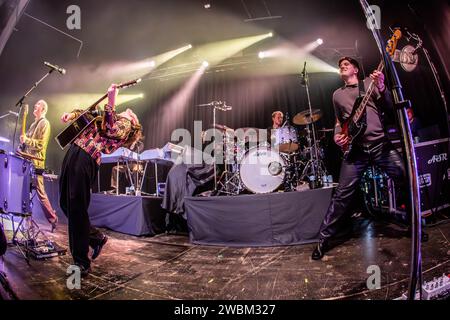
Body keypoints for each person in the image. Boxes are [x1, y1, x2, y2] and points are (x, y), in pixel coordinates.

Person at [312, 57, 406, 260]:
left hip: (381, 145)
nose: (342, 66)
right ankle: (323, 240)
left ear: (355, 68)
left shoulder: (369, 83)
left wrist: (381, 86)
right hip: (356, 151)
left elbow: (390, 107)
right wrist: (337, 133)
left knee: (407, 179)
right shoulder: (337, 95)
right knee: (341, 196)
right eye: (340, 66)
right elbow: (340, 120)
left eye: (346, 64)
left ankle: (414, 225)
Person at [59, 84, 142, 275]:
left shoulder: (125, 125)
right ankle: (96, 238)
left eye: (131, 113)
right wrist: (70, 116)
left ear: (133, 122)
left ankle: (82, 262)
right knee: (65, 204)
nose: (129, 111)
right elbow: (86, 113)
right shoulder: (104, 116)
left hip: (86, 156)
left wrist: (111, 101)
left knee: (77, 208)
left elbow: (110, 130)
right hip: (74, 151)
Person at [19, 100, 58, 231]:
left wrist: (27, 140)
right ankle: (27, 222)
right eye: (34, 105)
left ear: (43, 109)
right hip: (27, 162)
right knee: (25, 192)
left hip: (36, 163)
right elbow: (27, 144)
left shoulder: (45, 123)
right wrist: (22, 145)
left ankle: (53, 218)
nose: (35, 106)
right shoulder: (32, 125)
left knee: (40, 193)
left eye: (37, 105)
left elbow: (41, 145)